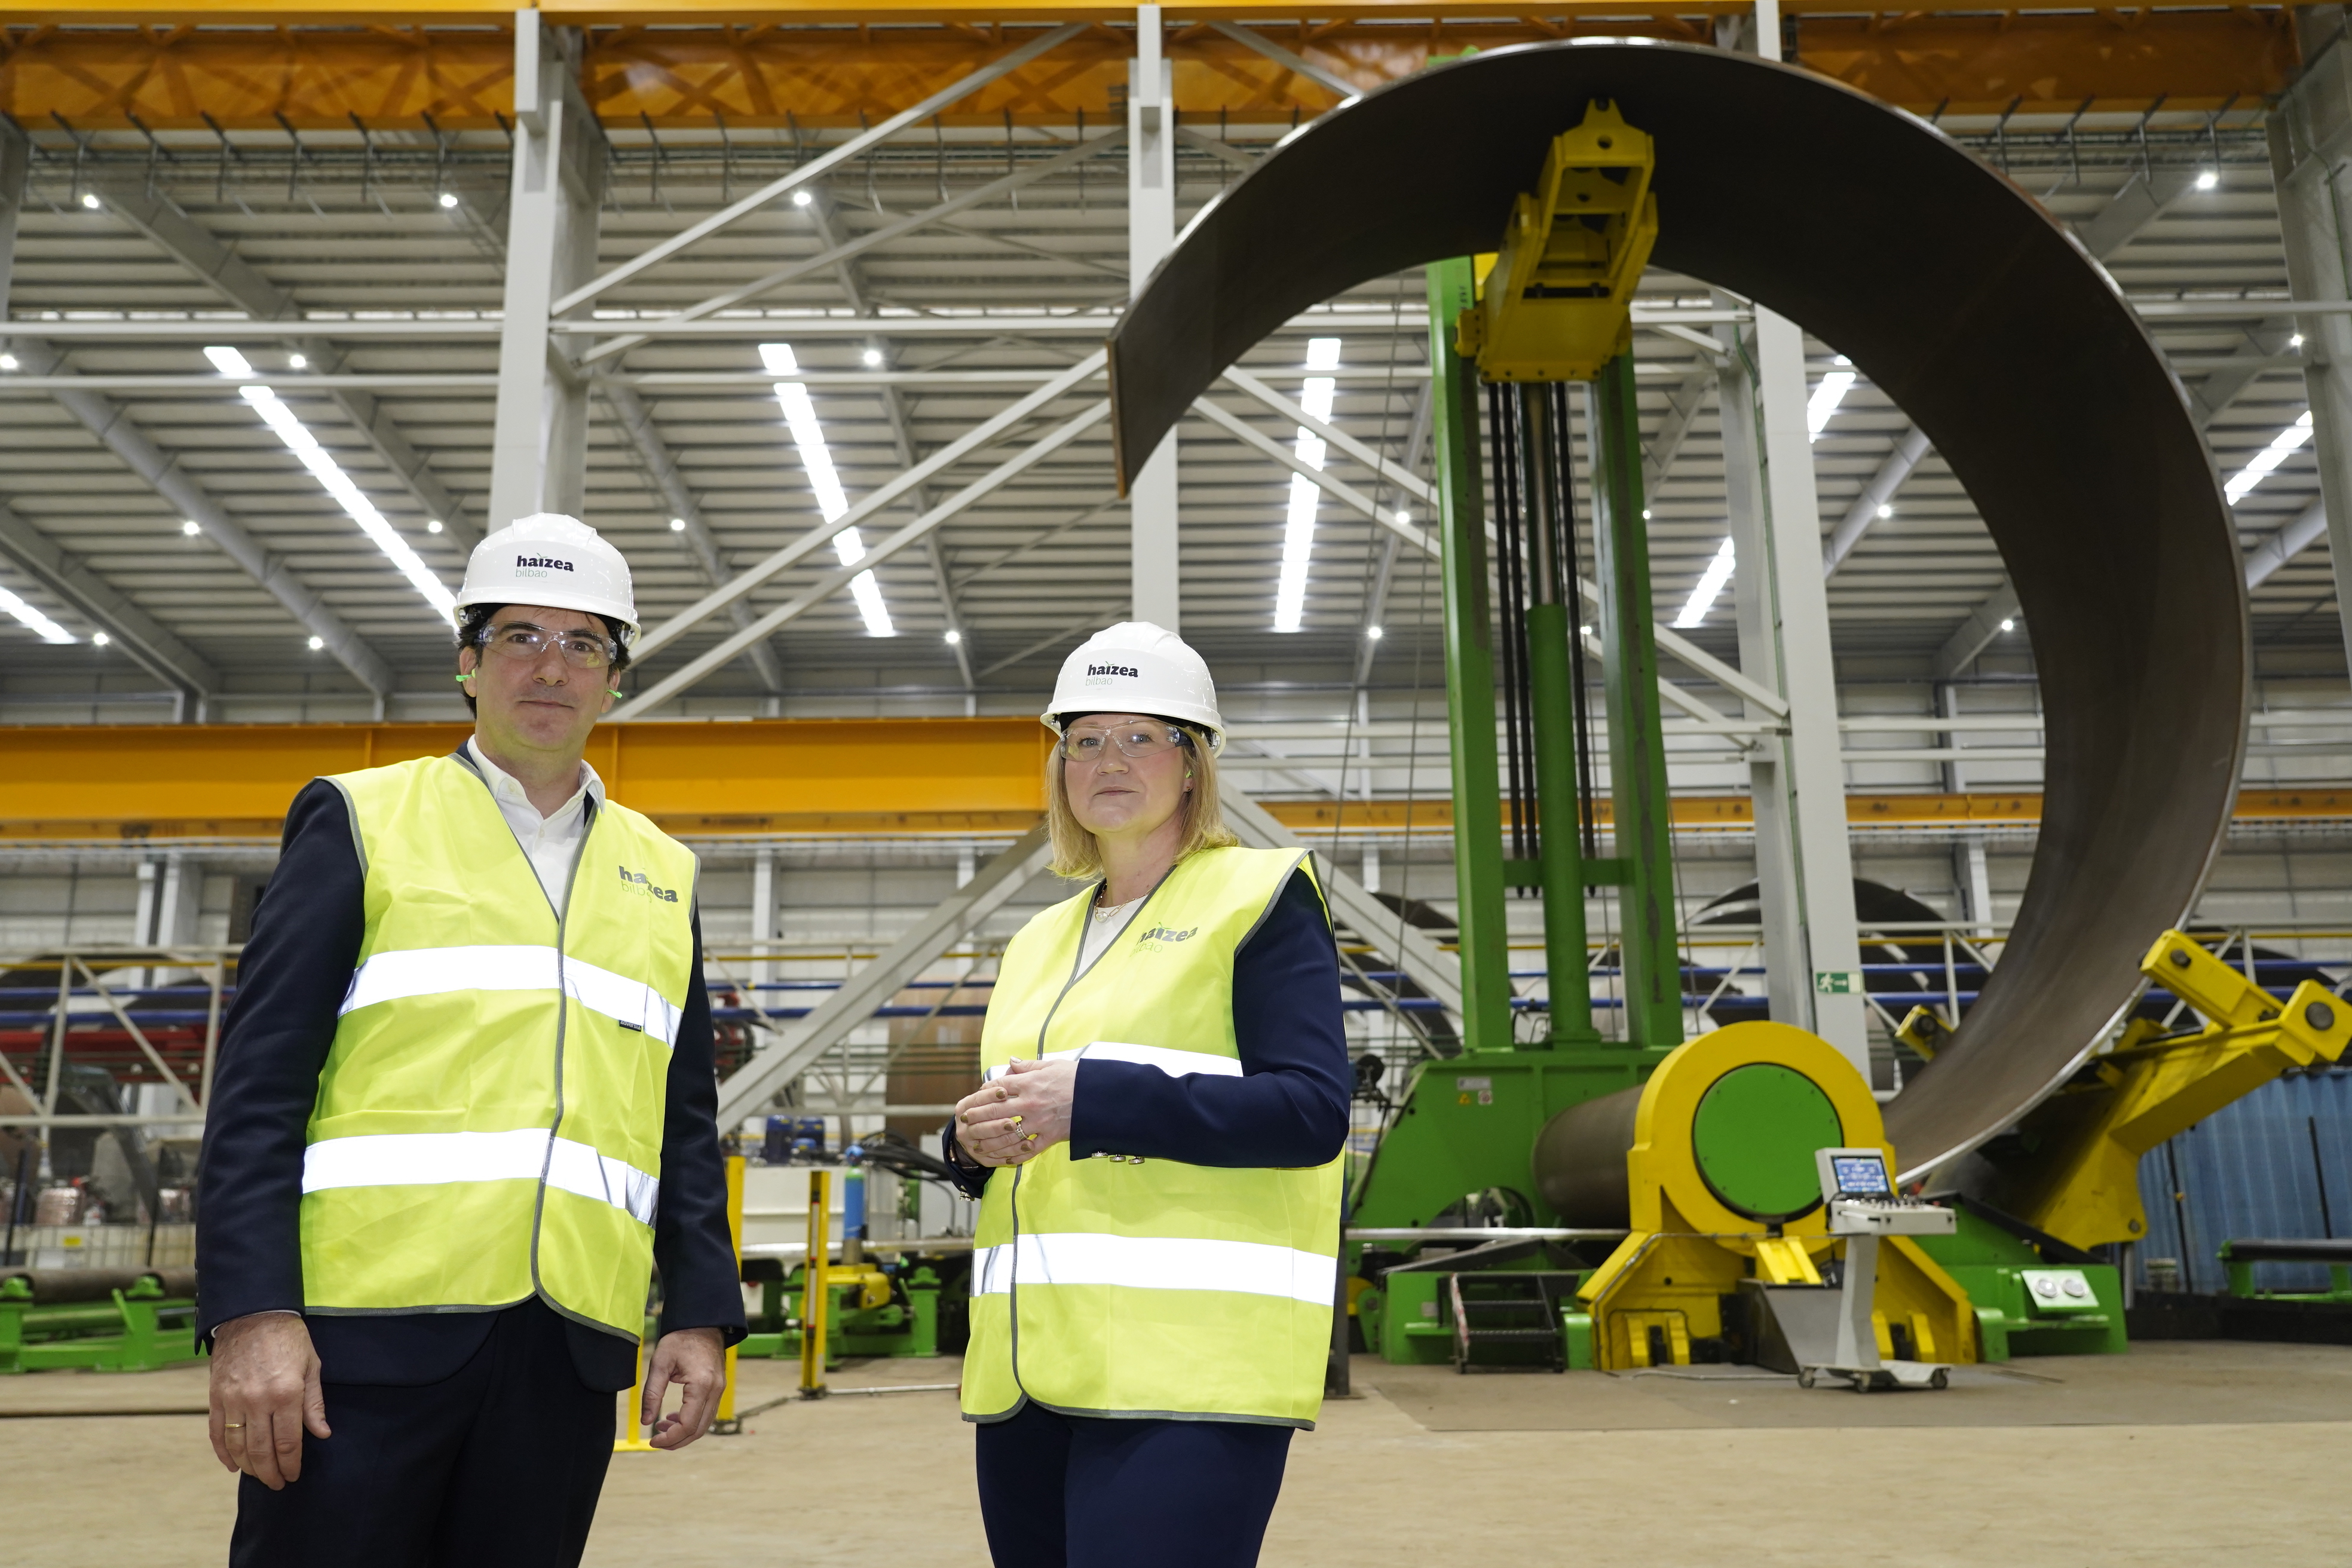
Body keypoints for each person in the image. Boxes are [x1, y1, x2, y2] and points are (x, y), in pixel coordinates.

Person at [195, 513, 746, 1568]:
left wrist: (702, 1310)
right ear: (467, 664)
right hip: (358, 1341)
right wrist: (252, 1311)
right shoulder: (362, 818)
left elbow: (680, 1119)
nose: (552, 667)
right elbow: (259, 1090)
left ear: (616, 679)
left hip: (567, 1347)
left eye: (585, 643)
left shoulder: (662, 872)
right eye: (520, 637)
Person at [944, 622, 1351, 1568]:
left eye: (1141, 736)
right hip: (1028, 1376)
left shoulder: (1257, 896)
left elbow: (1311, 1111)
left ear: (1192, 763)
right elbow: (1028, 1112)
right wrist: (971, 1144)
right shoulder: (1038, 939)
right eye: (1084, 740)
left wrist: (1096, 1104)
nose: (1107, 759)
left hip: (1189, 1378)